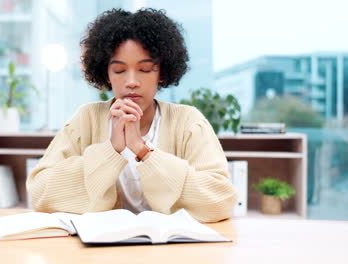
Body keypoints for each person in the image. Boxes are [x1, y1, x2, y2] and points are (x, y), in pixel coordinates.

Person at [26, 8, 237, 222]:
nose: (131, 81)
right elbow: (40, 192)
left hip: (172, 250)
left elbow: (220, 201)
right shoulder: (86, 118)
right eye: (119, 71)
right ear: (106, 74)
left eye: (145, 69)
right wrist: (111, 150)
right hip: (99, 250)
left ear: (161, 73)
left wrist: (143, 150)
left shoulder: (188, 122)